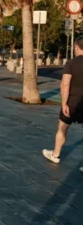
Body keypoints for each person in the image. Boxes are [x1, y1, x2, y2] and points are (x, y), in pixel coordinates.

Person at [43, 36, 83, 166]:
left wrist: (64, 103)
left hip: (72, 101)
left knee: (62, 127)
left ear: (76, 47)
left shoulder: (71, 63)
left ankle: (55, 155)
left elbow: (65, 84)